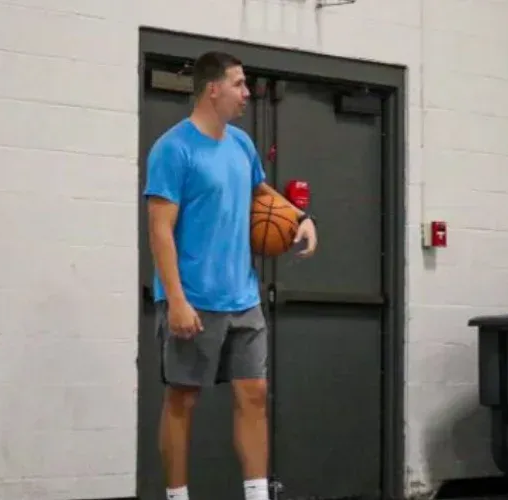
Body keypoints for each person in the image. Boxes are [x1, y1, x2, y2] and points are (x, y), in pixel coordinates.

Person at [144, 51, 319, 500]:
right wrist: (176, 301)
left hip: (243, 297)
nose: (247, 93)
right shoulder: (173, 148)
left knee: (254, 394)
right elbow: (160, 229)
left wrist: (300, 216)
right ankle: (177, 496)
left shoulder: (241, 143)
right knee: (183, 400)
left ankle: (257, 495)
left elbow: (260, 191)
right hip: (193, 298)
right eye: (239, 84)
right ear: (213, 89)